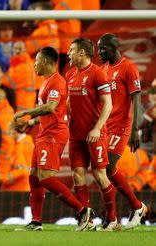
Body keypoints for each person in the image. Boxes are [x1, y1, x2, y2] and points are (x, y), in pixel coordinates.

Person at [13, 47, 92, 231]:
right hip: (44, 132)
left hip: (53, 135)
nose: (34, 64)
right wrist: (31, 122)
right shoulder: (46, 83)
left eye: (37, 61)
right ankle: (36, 221)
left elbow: (51, 107)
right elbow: (52, 113)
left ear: (46, 62)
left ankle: (82, 210)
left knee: (46, 178)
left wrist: (24, 112)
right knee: (33, 178)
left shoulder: (57, 81)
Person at [97, 33, 148, 229]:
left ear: (114, 48)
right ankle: (132, 209)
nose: (100, 52)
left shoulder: (128, 67)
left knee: (108, 167)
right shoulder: (103, 70)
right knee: (102, 170)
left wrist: (135, 129)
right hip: (105, 126)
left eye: (103, 48)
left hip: (122, 125)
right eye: (99, 48)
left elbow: (136, 98)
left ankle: (124, 212)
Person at [66, 38, 117, 231]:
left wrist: (97, 128)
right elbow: (69, 103)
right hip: (76, 135)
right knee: (77, 175)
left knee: (99, 174)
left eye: (72, 50)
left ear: (82, 53)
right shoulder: (70, 74)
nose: (68, 53)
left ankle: (111, 218)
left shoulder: (98, 74)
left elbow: (108, 104)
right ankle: (86, 220)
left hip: (95, 135)